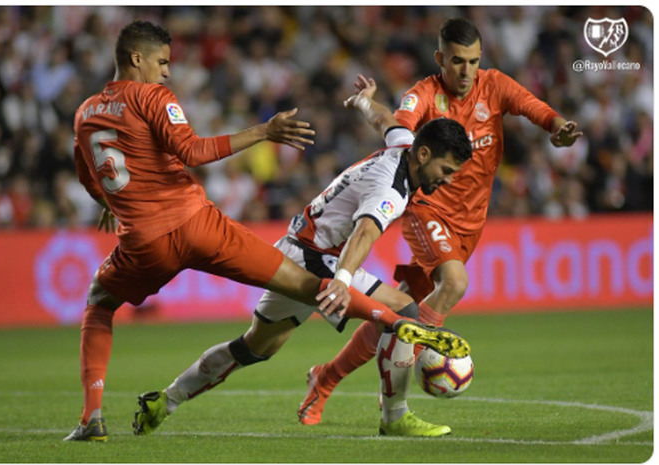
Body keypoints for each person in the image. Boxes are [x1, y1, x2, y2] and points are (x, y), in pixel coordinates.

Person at [63, 20, 461, 443]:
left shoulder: (85, 112)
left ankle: (108, 414)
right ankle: (394, 392)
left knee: (114, 308)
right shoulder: (153, 96)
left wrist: (365, 102)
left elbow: (88, 172)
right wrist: (264, 132)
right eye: (161, 62)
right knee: (384, 306)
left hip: (145, 241)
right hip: (221, 231)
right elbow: (193, 152)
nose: (166, 72)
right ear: (136, 58)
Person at [132, 77, 472, 438]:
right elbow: (365, 232)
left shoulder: (405, 144)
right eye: (446, 171)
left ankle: (165, 401)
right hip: (312, 259)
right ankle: (395, 417)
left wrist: (362, 101)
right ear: (423, 154)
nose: (447, 181)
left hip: (309, 249)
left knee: (255, 347)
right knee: (403, 313)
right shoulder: (390, 187)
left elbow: (384, 119)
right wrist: (342, 282)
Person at [298, 17, 583, 425]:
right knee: (454, 283)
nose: (465, 71)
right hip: (427, 211)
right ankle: (394, 404)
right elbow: (398, 126)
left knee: (397, 317)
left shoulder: (495, 85)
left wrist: (558, 127)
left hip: (471, 224)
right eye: (456, 61)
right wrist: (368, 105)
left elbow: (533, 108)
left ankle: (324, 379)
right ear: (439, 58)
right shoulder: (424, 95)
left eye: (472, 61)